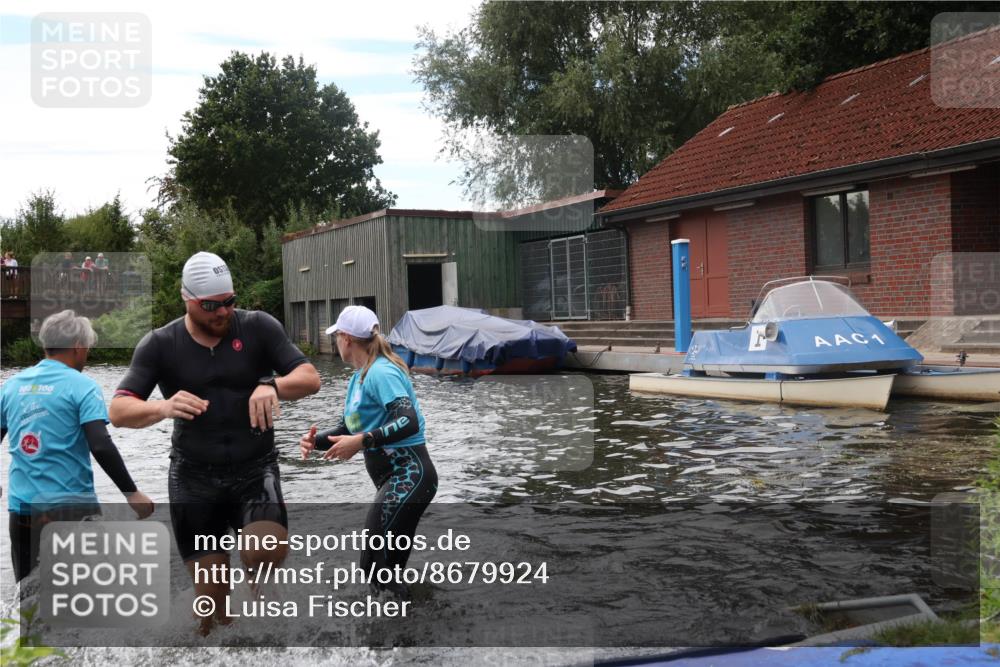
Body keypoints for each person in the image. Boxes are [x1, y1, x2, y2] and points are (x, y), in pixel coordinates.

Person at [109, 251, 321, 634]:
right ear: (186, 298)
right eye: (210, 306)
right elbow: (119, 411)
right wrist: (163, 406)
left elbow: (309, 377)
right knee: (212, 611)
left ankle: (266, 632)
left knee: (263, 550)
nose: (223, 312)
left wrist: (270, 385)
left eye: (229, 302)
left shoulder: (258, 327)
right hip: (194, 479)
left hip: (254, 470)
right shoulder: (160, 344)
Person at [1, 310, 155, 582]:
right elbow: (100, 444)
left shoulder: (11, 386)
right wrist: (131, 493)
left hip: (23, 510)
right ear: (78, 347)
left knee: (27, 600)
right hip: (72, 510)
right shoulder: (83, 386)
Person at [299, 305, 437, 598]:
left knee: (377, 567)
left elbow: (408, 420)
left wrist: (363, 441)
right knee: (382, 570)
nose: (336, 341)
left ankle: (407, 628)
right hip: (395, 480)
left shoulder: (381, 372)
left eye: (337, 336)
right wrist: (316, 441)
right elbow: (348, 429)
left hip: (409, 475)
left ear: (346, 338)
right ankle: (404, 627)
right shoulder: (358, 378)